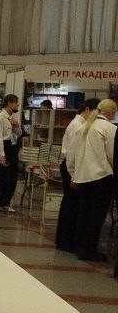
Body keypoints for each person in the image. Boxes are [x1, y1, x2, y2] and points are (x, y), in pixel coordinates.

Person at [69, 98, 116, 264]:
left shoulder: (85, 127)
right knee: (97, 216)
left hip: (84, 177)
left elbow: (74, 153)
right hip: (101, 177)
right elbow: (112, 154)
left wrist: (74, 173)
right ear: (112, 112)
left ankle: (80, 247)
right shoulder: (110, 128)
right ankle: (89, 250)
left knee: (84, 213)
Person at [55, 98, 99, 252]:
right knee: (71, 205)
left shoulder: (81, 124)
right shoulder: (78, 126)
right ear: (87, 109)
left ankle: (66, 239)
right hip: (70, 167)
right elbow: (73, 153)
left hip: (72, 167)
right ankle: (65, 241)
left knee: (72, 204)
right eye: (95, 112)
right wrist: (74, 175)